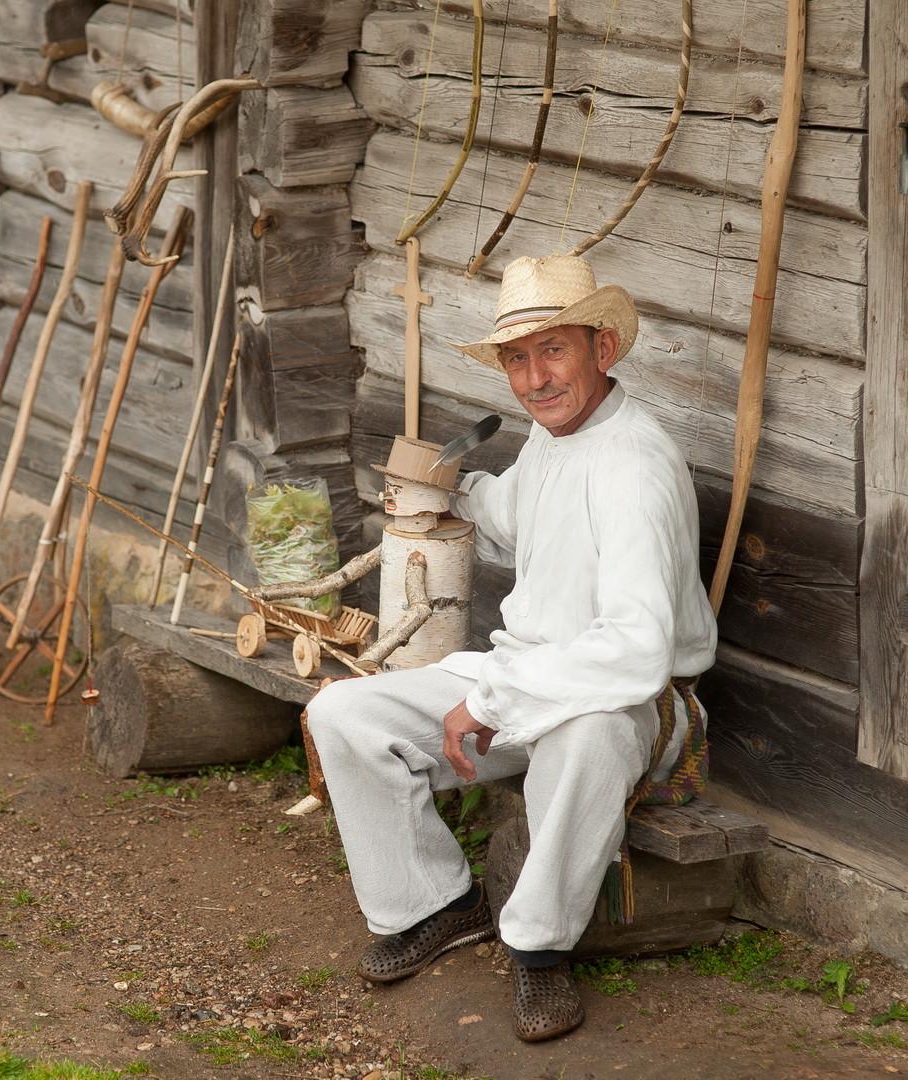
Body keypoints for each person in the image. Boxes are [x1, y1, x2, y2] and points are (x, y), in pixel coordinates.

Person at [304, 253, 718, 1042]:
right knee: (345, 714)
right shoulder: (556, 432)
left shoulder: (635, 466)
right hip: (525, 673)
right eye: (517, 359)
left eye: (551, 351)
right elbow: (519, 514)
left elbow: (633, 652)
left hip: (632, 703)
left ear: (602, 347)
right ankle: (438, 906)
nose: (534, 378)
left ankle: (538, 953)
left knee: (589, 737)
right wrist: (450, 486)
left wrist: (491, 702)